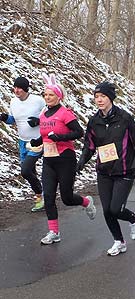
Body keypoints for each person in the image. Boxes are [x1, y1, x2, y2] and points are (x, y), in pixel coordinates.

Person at [76, 82, 135, 256]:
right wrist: (81, 161)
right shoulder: (94, 121)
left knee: (116, 209)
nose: (99, 100)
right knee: (107, 210)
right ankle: (119, 241)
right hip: (104, 171)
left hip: (124, 171)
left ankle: (134, 218)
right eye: (96, 97)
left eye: (103, 97)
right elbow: (90, 146)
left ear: (111, 98)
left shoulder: (125, 118)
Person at [30, 73, 96, 245]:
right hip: (49, 160)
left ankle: (86, 202)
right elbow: (45, 134)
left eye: (51, 95)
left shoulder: (65, 113)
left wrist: (59, 137)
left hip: (66, 159)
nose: (47, 97)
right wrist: (37, 141)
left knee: (66, 198)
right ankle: (54, 232)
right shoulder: (44, 114)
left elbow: (78, 132)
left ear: (59, 96)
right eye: (45, 95)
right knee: (49, 196)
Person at [0, 77, 45, 211]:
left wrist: (38, 121)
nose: (16, 90)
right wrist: (5, 118)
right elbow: (14, 120)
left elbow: (50, 116)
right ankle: (40, 198)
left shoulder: (38, 101)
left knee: (25, 170)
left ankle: (42, 192)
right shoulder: (13, 101)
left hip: (37, 141)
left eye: (19, 87)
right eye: (15, 87)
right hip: (22, 141)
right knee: (30, 171)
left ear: (25, 88)